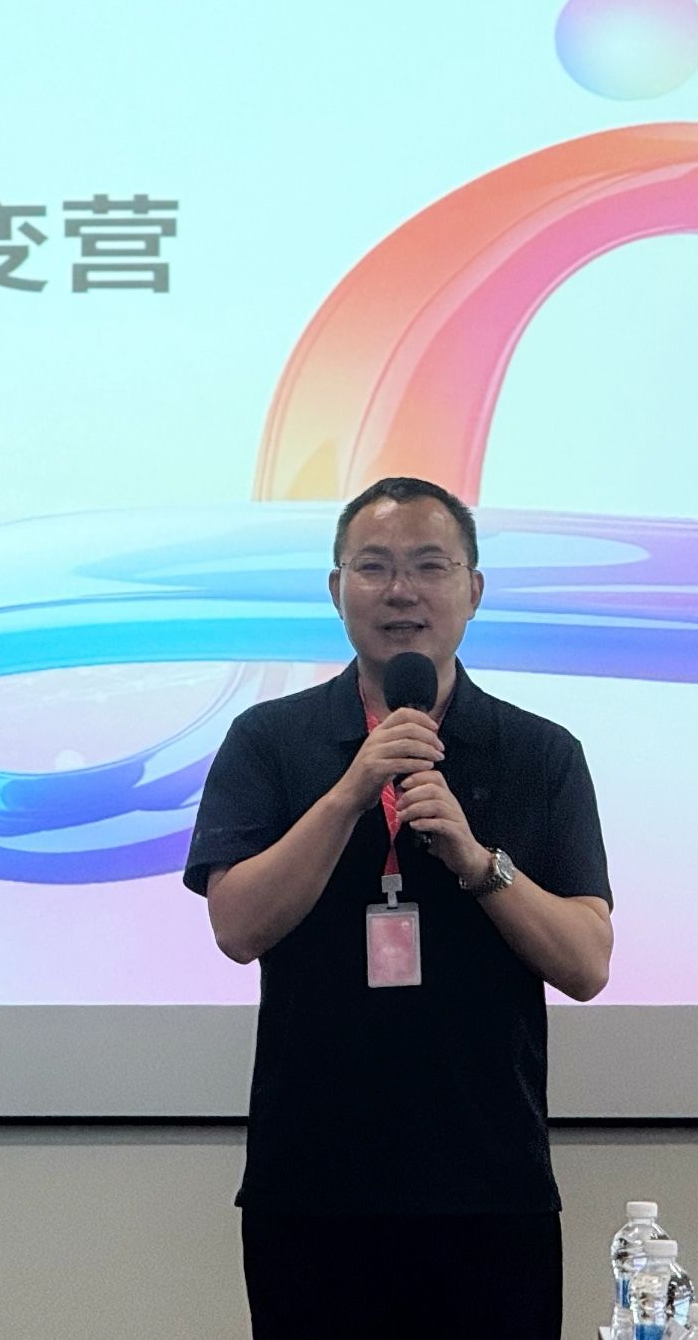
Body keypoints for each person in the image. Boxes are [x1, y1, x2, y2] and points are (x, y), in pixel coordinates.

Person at [185, 476, 614, 1340]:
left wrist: (477, 862)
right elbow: (236, 926)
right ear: (336, 587)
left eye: (428, 565)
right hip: (312, 1186)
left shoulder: (539, 752)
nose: (400, 591)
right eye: (373, 566)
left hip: (488, 1184)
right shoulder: (268, 740)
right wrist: (351, 790)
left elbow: (586, 963)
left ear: (473, 589)